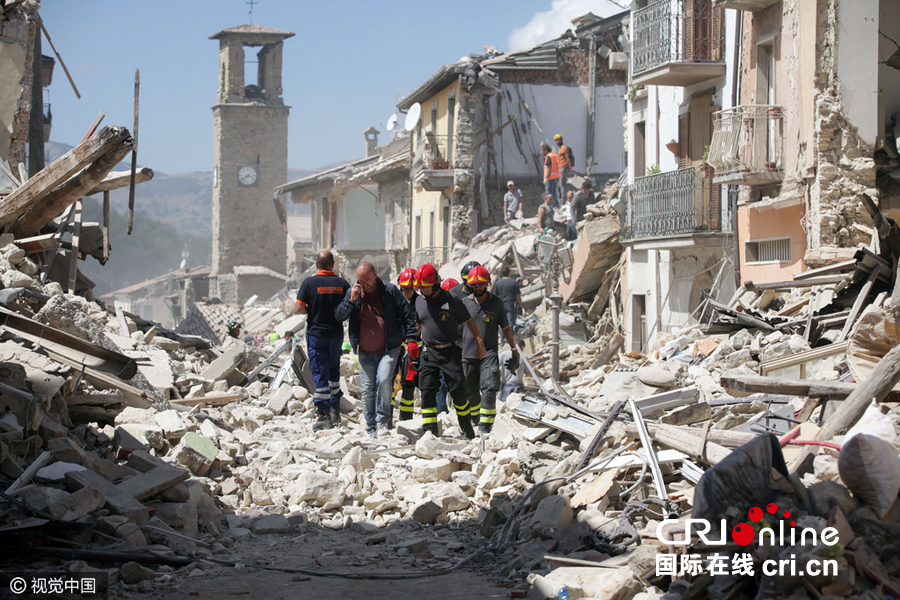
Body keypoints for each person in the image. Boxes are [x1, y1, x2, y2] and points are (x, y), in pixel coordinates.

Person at [336, 262, 418, 438]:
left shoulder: (390, 291)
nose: (365, 283)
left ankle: (382, 421)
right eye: (361, 280)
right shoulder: (354, 293)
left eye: (367, 279)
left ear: (375, 274)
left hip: (389, 348)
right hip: (365, 351)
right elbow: (339, 315)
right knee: (367, 390)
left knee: (384, 382)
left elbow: (406, 315)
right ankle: (370, 426)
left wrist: (411, 339)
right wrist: (351, 300)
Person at [413, 263, 486, 438]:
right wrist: (411, 342)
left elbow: (469, 321)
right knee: (427, 390)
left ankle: (466, 426)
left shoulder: (452, 300)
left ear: (436, 284)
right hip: (428, 352)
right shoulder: (419, 301)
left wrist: (479, 341)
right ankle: (429, 430)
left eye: (427, 287)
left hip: (450, 352)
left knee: (458, 391)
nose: (424, 291)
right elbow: (419, 324)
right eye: (421, 288)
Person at [295, 250, 351, 431]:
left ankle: (323, 414)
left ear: (317, 265)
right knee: (334, 370)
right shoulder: (342, 284)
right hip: (335, 334)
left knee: (319, 371)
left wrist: (312, 311)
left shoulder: (309, 283)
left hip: (316, 334)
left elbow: (298, 308)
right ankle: (335, 410)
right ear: (332, 264)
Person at [460, 266, 519, 436]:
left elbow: (506, 327)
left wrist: (513, 348)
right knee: (470, 390)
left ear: (487, 284)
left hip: (489, 353)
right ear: (470, 285)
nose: (478, 287)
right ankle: (476, 420)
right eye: (475, 285)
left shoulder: (496, 303)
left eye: (481, 284)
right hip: (467, 355)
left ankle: (486, 427)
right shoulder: (464, 304)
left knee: (489, 386)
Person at [395, 268, 420, 422]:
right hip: (397, 346)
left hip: (415, 347)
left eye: (410, 289)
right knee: (391, 380)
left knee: (409, 382)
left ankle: (406, 418)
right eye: (405, 289)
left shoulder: (420, 302)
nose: (408, 291)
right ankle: (387, 416)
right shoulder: (395, 300)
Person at [493, 264, 523, 333]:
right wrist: (520, 307)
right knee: (510, 324)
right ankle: (508, 341)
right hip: (511, 306)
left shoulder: (498, 283)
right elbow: (518, 296)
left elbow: (495, 296)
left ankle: (503, 342)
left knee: (502, 325)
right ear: (509, 273)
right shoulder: (514, 282)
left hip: (501, 307)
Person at [540, 141, 561, 208]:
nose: (542, 152)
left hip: (550, 178)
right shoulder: (555, 155)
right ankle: (556, 204)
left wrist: (546, 178)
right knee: (554, 192)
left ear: (546, 150)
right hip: (556, 177)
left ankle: (550, 206)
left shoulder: (548, 156)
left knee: (548, 193)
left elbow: (549, 167)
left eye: (542, 150)